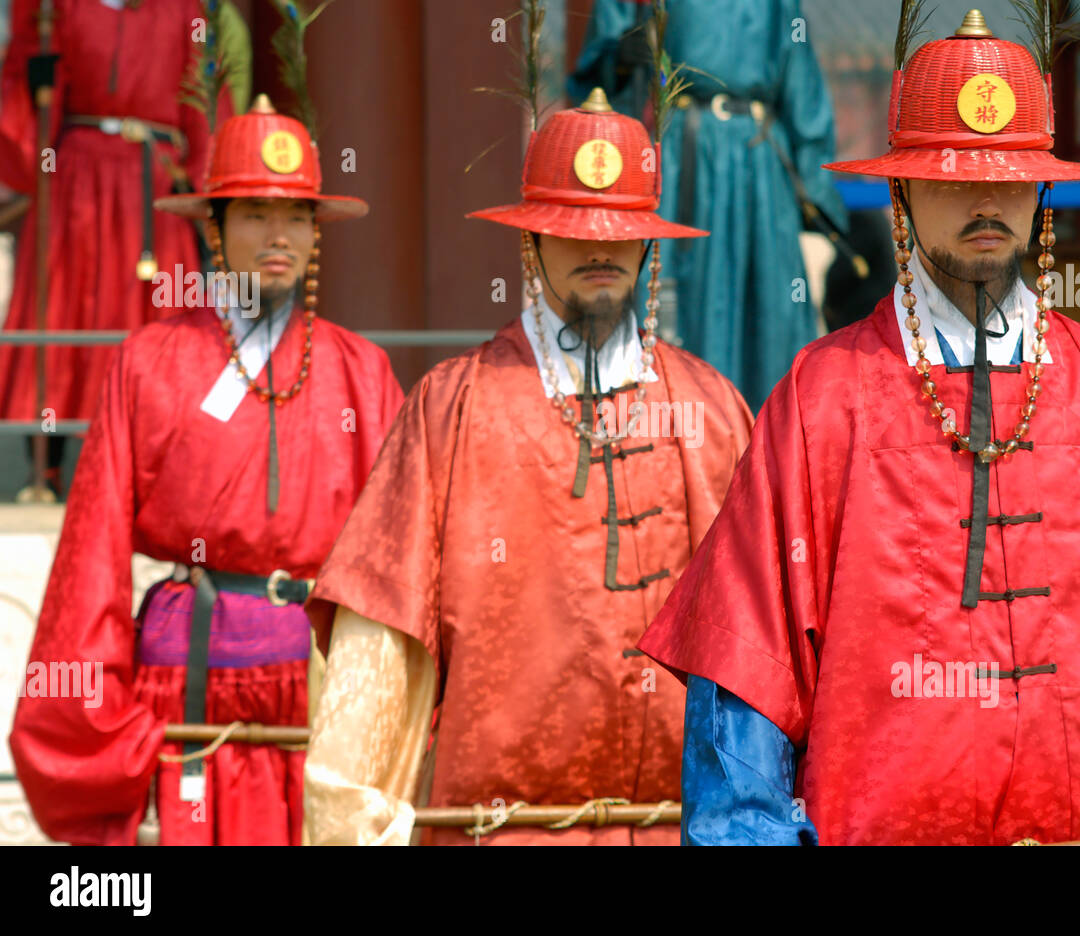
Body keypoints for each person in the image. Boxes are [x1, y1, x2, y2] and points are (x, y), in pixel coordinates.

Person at [637, 9, 1080, 846]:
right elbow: (740, 743)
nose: (986, 198)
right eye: (954, 174)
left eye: (1010, 173)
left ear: (1043, 190)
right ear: (901, 189)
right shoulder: (821, 401)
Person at [302, 87, 753, 846]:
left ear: (651, 244)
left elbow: (764, 650)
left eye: (622, 231)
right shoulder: (453, 408)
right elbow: (378, 651)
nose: (601, 250)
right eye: (573, 231)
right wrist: (352, 820)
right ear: (529, 242)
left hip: (683, 833)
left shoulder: (712, 412)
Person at [8, 95, 404, 845]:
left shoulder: (363, 372)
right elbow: (90, 557)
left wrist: (391, 705)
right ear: (215, 228)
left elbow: (399, 564)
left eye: (294, 216)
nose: (277, 236)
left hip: (322, 694)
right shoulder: (149, 363)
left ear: (317, 231)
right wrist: (100, 718)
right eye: (253, 214)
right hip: (182, 693)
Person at [0, 0, 248, 497]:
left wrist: (209, 189)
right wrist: (33, 66)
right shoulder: (58, 7)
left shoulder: (188, 12)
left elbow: (205, 102)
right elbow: (27, 105)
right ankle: (46, 468)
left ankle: (153, 470)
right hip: (75, 180)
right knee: (63, 309)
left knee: (155, 316)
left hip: (154, 184)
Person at [570, 0, 847, 409]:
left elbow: (801, 82)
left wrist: (821, 200)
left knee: (770, 313)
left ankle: (769, 448)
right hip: (675, 160)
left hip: (758, 167)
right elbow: (594, 80)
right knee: (669, 307)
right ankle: (669, 446)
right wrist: (621, 60)